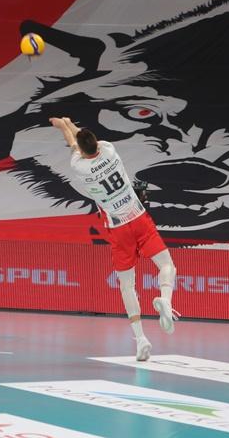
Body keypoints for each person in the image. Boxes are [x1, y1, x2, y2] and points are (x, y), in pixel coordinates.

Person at [50, 117, 178, 361]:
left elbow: (73, 142)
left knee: (127, 285)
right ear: (96, 143)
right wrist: (69, 123)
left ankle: (141, 340)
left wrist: (62, 125)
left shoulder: (80, 166)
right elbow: (84, 139)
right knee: (166, 265)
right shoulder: (109, 150)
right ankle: (165, 299)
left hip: (118, 228)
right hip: (138, 217)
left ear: (82, 151)